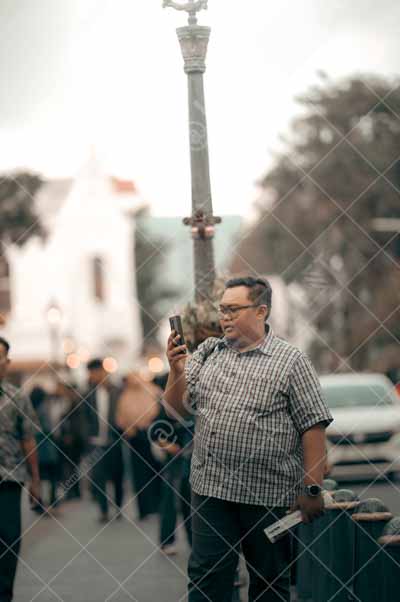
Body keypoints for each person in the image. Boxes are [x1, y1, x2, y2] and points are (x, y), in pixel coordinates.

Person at [164, 276, 333, 602]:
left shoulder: (291, 361)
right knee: (207, 576)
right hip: (211, 490)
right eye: (222, 310)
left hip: (268, 494)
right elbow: (176, 410)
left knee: (269, 581)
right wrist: (176, 370)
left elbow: (313, 426)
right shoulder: (208, 352)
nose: (224, 317)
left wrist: (312, 488)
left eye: (233, 309)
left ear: (260, 311)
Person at [0, 336, 41, 601]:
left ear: (7, 362)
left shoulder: (18, 398)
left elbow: (28, 439)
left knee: (8, 540)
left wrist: (35, 480)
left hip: (9, 480)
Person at [116, 372, 161, 520]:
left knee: (156, 471)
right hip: (135, 438)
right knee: (139, 474)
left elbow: (161, 411)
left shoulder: (152, 390)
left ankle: (157, 506)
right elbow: (120, 418)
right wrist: (127, 428)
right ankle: (144, 509)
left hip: (152, 435)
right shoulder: (125, 395)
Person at [83, 358, 124, 523]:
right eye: (91, 373)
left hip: (115, 441)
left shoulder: (117, 390)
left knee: (117, 475)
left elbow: (123, 413)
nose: (93, 376)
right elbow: (84, 418)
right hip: (96, 443)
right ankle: (104, 511)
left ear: (103, 371)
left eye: (95, 372)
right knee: (99, 477)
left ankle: (118, 507)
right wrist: (88, 436)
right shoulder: (88, 394)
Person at [29, 386, 60, 508]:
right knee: (51, 476)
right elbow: (48, 428)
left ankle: (38, 501)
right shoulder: (43, 408)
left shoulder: (31, 408)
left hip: (36, 447)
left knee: (38, 476)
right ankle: (51, 501)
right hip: (47, 447)